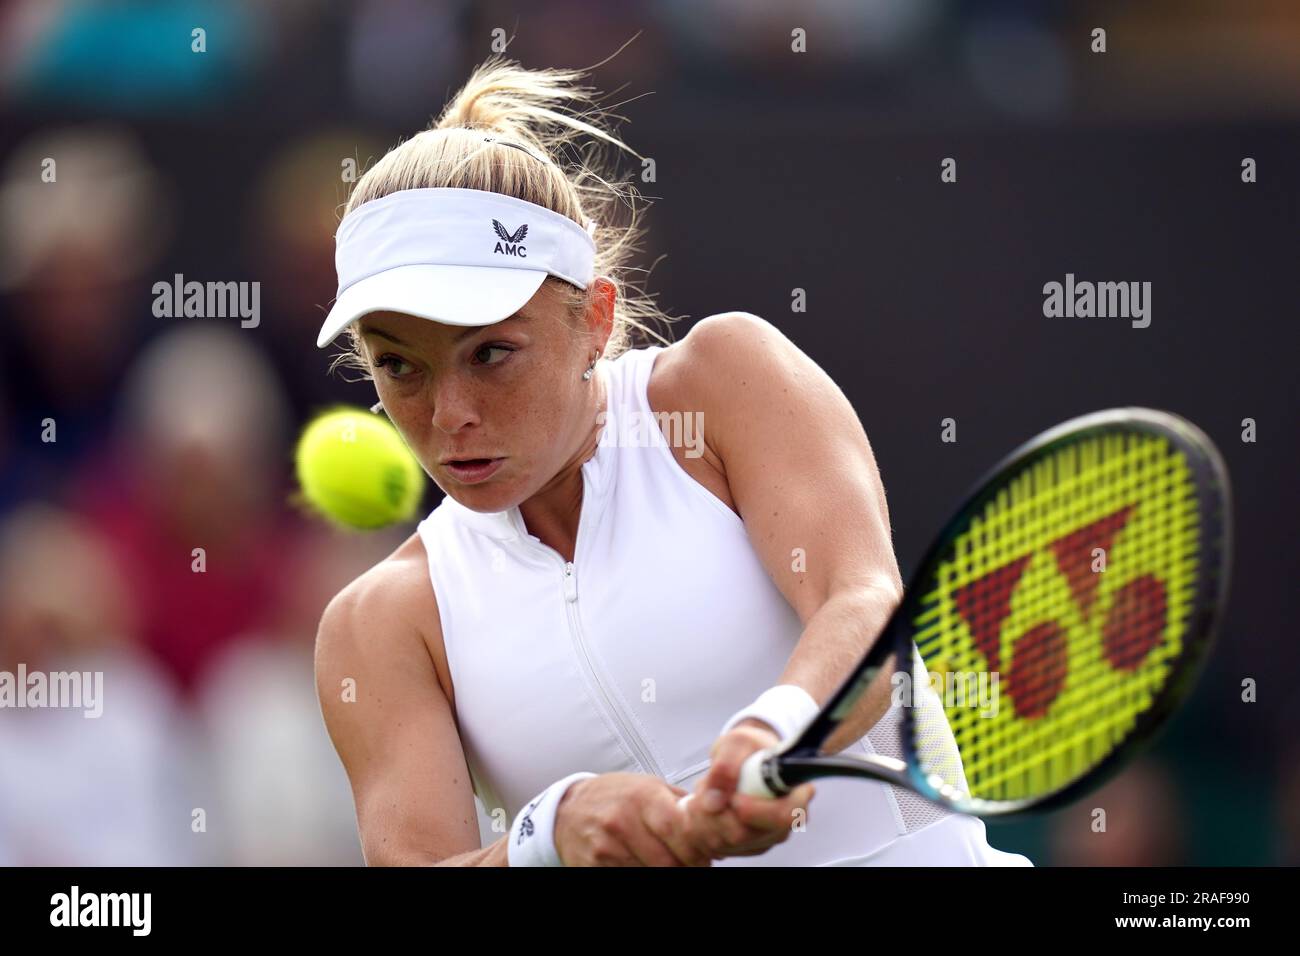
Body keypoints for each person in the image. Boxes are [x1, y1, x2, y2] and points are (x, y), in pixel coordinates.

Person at [314, 55, 1030, 867]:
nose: (450, 417)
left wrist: (776, 735)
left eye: (491, 354)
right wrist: (547, 840)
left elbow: (863, 604)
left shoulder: (725, 380)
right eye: (399, 366)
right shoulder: (381, 623)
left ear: (596, 319)